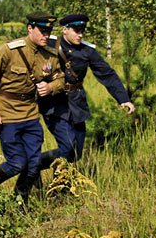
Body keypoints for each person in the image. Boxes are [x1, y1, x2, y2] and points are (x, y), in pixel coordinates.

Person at [0, 12, 66, 205]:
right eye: (42, 30)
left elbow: (60, 78)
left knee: (33, 165)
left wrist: (51, 87)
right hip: (7, 115)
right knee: (17, 163)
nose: (46, 35)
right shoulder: (9, 51)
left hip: (31, 115)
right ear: (30, 28)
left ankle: (19, 203)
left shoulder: (50, 55)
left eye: (49, 31)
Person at [37, 13, 135, 172]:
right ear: (65, 30)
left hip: (77, 104)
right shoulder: (49, 44)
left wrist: (123, 99)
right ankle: (58, 187)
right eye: (76, 30)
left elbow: (107, 74)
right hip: (54, 103)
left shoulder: (87, 51)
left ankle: (35, 164)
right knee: (68, 146)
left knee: (76, 152)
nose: (80, 34)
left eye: (82, 30)